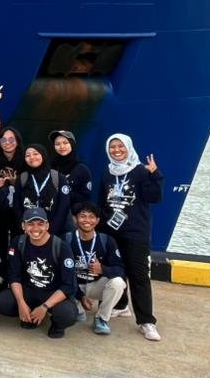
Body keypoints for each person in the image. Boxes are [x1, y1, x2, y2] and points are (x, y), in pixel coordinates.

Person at [98, 134, 163, 341]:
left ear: (128, 148)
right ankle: (120, 306)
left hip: (135, 233)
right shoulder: (107, 173)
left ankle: (146, 321)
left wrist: (155, 174)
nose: (116, 150)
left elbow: (154, 197)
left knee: (138, 276)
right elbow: (102, 203)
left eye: (120, 146)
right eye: (112, 147)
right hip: (111, 232)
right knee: (116, 271)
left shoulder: (140, 171)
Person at [0, 208, 78, 339]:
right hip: (29, 291)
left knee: (67, 314)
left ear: (47, 225)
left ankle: (56, 324)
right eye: (30, 224)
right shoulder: (18, 242)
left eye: (40, 224)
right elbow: (14, 276)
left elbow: (68, 285)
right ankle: (29, 315)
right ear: (23, 226)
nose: (35, 228)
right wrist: (21, 303)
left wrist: (44, 307)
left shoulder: (61, 247)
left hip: (52, 292)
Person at [64, 202, 126, 335]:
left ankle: (101, 318)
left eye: (91, 217)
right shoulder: (66, 239)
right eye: (83, 216)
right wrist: (80, 296)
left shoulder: (107, 240)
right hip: (74, 286)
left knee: (118, 282)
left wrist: (102, 269)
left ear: (97, 220)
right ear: (75, 219)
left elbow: (120, 269)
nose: (87, 220)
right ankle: (78, 308)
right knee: (74, 314)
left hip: (96, 285)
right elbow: (61, 273)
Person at [15, 143, 71, 231]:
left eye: (35, 154)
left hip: (54, 230)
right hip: (29, 230)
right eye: (27, 155)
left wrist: (51, 230)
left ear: (43, 155)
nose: (32, 157)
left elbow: (63, 206)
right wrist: (24, 227)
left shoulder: (58, 177)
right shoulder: (22, 178)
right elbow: (17, 206)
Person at [0, 126, 26, 251]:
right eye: (3, 140)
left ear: (17, 141)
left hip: (20, 206)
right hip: (0, 207)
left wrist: (16, 182)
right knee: (0, 239)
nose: (7, 143)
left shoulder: (26, 158)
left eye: (11, 139)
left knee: (17, 239)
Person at [50, 131, 93, 226]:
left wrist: (63, 192)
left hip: (73, 217)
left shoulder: (82, 169)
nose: (61, 146)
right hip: (51, 215)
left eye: (65, 143)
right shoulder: (50, 167)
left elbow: (85, 198)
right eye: (57, 144)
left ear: (72, 144)